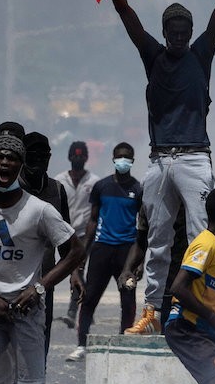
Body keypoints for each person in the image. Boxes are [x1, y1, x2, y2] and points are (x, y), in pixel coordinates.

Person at [96, 0, 215, 335]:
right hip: (159, 159)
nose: (180, 36)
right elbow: (126, 15)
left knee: (202, 238)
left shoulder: (202, 54)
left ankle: (203, 309)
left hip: (195, 158)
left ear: (191, 31)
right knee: (157, 239)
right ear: (166, 32)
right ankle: (150, 312)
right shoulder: (154, 56)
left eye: (185, 30)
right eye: (174, 30)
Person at [0, 135, 84, 384]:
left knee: (29, 383)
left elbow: (76, 251)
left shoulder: (39, 210)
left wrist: (39, 288)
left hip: (26, 310)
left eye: (12, 158)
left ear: (21, 165)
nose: (5, 163)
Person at [68, 142, 143, 362]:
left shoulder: (138, 190)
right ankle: (82, 344)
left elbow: (143, 226)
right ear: (113, 159)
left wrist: (139, 261)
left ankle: (124, 341)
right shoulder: (101, 187)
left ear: (132, 160)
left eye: (127, 157)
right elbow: (92, 221)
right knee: (89, 298)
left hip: (127, 251)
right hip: (102, 248)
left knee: (128, 300)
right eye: (120, 156)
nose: (123, 160)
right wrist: (83, 254)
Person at [163, 187, 215, 384]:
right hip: (185, 327)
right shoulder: (205, 245)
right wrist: (212, 318)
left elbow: (210, 296)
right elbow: (178, 288)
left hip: (204, 329)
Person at [20, 132, 74, 352]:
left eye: (44, 157)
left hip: (43, 284)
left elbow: (67, 242)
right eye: (33, 156)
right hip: (11, 281)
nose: (39, 162)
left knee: (40, 341)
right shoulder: (11, 188)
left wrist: (75, 273)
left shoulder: (56, 190)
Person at [54, 140, 99, 328]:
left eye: (81, 155)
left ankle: (73, 311)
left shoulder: (94, 182)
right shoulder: (59, 180)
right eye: (75, 155)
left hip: (84, 234)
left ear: (86, 158)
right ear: (69, 157)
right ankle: (86, 306)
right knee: (65, 269)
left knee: (78, 269)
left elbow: (95, 214)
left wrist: (89, 237)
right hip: (62, 233)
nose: (78, 158)